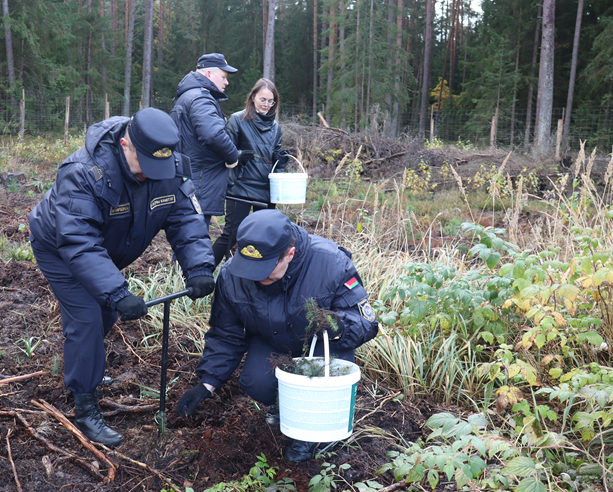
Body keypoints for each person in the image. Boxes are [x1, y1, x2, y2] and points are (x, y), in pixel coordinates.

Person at [28, 108, 216, 448]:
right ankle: (85, 407)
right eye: (144, 163)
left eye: (157, 165)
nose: (149, 173)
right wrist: (117, 291)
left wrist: (200, 267)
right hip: (61, 247)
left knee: (104, 313)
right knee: (87, 318)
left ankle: (85, 367)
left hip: (104, 250)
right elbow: (79, 242)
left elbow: (185, 219)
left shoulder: (169, 166)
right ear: (125, 143)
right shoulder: (84, 173)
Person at [174, 209, 379, 463]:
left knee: (316, 386)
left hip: (322, 346)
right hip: (273, 340)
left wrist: (338, 325)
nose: (257, 276)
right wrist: (207, 383)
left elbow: (367, 322)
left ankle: (314, 433)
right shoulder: (232, 276)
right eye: (250, 267)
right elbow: (226, 334)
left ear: (289, 255)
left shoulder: (330, 263)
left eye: (265, 268)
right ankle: (285, 404)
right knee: (255, 382)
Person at [212, 78, 290, 267]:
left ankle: (254, 275)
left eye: (270, 101)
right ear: (253, 97)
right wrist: (238, 155)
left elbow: (275, 160)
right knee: (231, 235)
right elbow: (224, 151)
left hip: (266, 190)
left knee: (263, 238)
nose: (266, 105)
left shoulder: (276, 128)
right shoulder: (237, 120)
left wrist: (280, 161)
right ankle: (202, 272)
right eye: (263, 99)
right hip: (240, 188)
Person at [170, 53, 242, 229]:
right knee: (195, 235)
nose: (227, 82)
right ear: (208, 74)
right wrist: (233, 157)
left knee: (185, 234)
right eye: (223, 77)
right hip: (199, 183)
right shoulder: (201, 98)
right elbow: (213, 135)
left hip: (188, 179)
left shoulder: (188, 96)